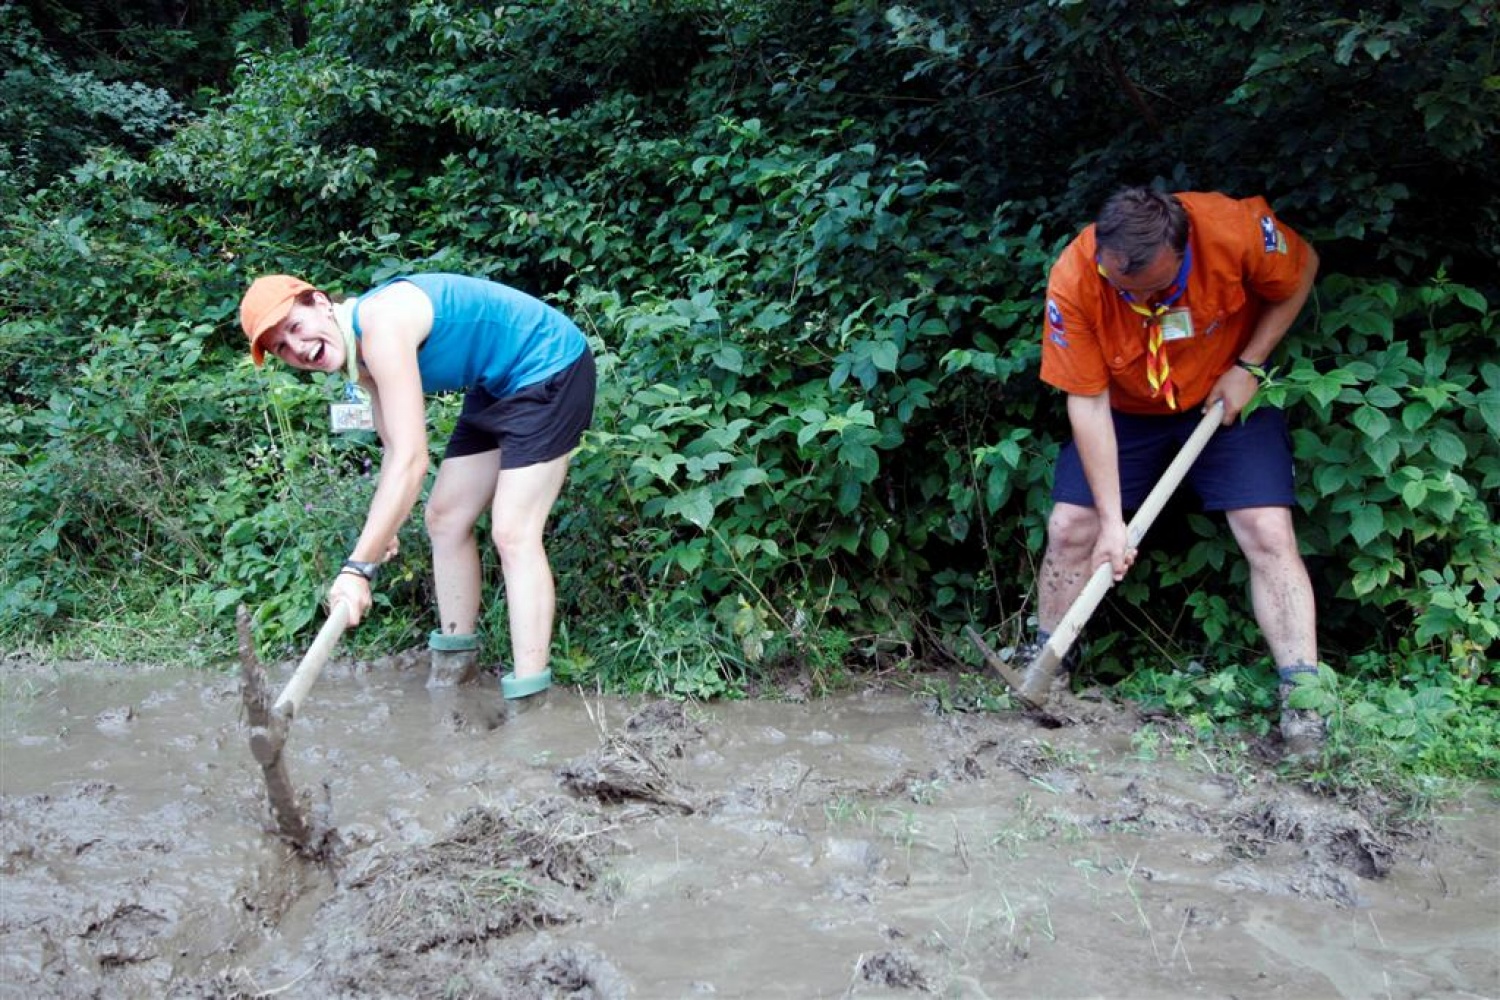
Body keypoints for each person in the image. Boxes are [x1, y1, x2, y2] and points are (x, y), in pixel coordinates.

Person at [1034, 186, 1325, 756]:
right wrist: (1113, 523)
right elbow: (1087, 402)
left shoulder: (1233, 232)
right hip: (1125, 409)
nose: (1135, 300)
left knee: (1267, 530)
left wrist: (1250, 366)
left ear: (1181, 251)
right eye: (1122, 288)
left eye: (1152, 290)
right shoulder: (1076, 275)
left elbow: (1303, 269)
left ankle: (1303, 701)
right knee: (1071, 527)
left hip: (1224, 394)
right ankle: (1047, 664)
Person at [239, 272, 595, 702]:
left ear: (319, 302)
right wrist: (383, 528)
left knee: (513, 531)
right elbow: (394, 451)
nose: (296, 348)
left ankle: (529, 700)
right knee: (444, 518)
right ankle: (455, 671)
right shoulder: (358, 357)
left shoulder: (381, 325)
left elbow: (412, 459)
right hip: (496, 383)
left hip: (549, 364)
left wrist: (357, 570)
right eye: (281, 347)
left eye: (295, 327)